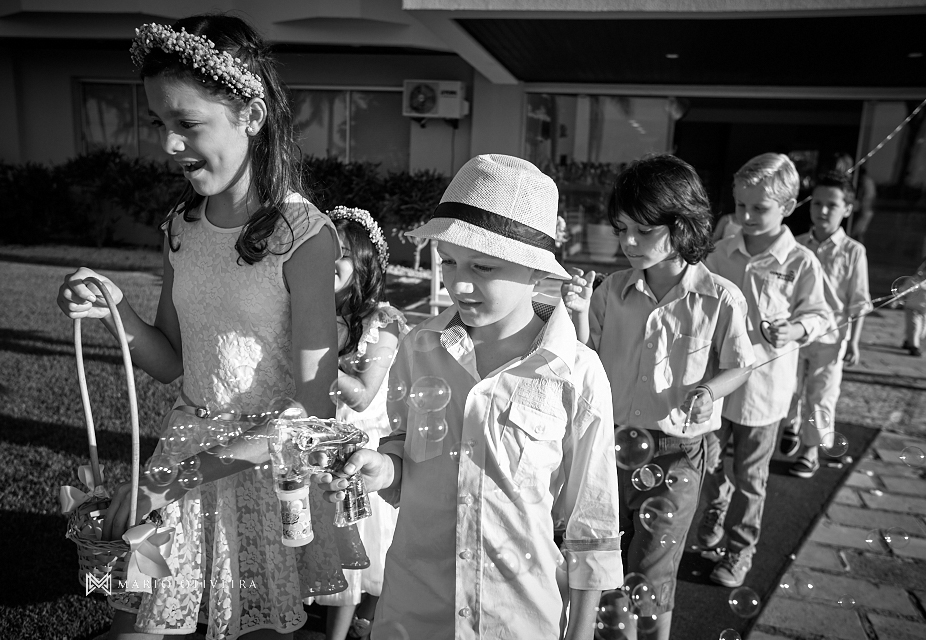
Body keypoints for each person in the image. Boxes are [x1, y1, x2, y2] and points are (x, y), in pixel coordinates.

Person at [56, 15, 359, 639]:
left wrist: (170, 483)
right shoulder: (182, 226)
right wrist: (121, 312)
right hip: (179, 455)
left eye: (187, 125)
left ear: (251, 114)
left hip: (262, 472)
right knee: (132, 628)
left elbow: (313, 408)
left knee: (256, 629)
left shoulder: (306, 237)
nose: (169, 146)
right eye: (161, 125)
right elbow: (172, 362)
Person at [316, 154, 623, 640]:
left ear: (536, 274)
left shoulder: (576, 373)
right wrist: (384, 468)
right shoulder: (419, 347)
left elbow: (592, 524)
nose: (458, 283)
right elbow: (404, 447)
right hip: (411, 614)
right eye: (449, 262)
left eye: (482, 266)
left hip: (517, 621)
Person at [560, 155, 755, 640]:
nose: (626, 242)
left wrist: (711, 390)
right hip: (607, 449)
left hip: (677, 455)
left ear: (683, 226)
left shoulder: (722, 298)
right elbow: (587, 363)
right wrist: (581, 312)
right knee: (602, 562)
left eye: (643, 231)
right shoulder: (608, 292)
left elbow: (740, 364)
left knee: (650, 574)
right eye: (621, 228)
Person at [699, 153, 832, 588]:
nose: (747, 216)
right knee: (713, 464)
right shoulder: (720, 253)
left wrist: (795, 327)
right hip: (718, 384)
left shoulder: (800, 262)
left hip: (764, 391)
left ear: (788, 208)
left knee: (751, 477)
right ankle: (715, 517)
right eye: (741, 206)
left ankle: (741, 551)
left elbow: (821, 315)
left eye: (760, 208)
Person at [307, 207, 407, 640]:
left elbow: (364, 393)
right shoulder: (309, 310)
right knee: (312, 540)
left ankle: (346, 632)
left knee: (352, 547)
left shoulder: (379, 323)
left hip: (357, 451)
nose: (332, 260)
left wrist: (318, 354)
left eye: (344, 254)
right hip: (314, 442)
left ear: (364, 264)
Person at [778, 171, 873, 478]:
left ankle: (810, 452)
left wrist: (854, 342)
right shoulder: (796, 244)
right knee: (789, 387)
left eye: (831, 205)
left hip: (831, 338)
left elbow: (859, 301)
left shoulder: (854, 252)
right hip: (797, 333)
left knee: (821, 395)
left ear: (848, 208)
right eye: (817, 203)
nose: (821, 211)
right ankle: (791, 426)